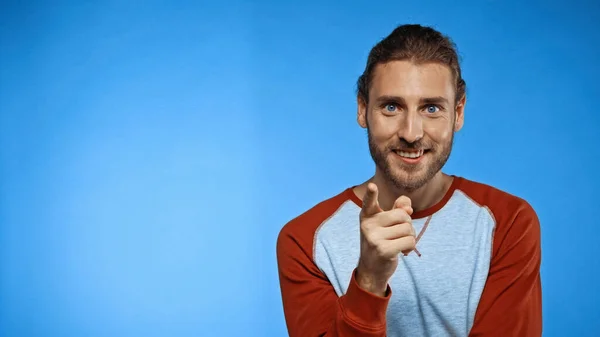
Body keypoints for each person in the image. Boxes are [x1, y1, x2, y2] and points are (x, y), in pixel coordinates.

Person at [276, 24, 542, 337]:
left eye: (431, 108)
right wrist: (369, 281)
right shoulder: (305, 241)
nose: (411, 133)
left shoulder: (508, 223)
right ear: (363, 109)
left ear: (458, 112)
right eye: (391, 106)